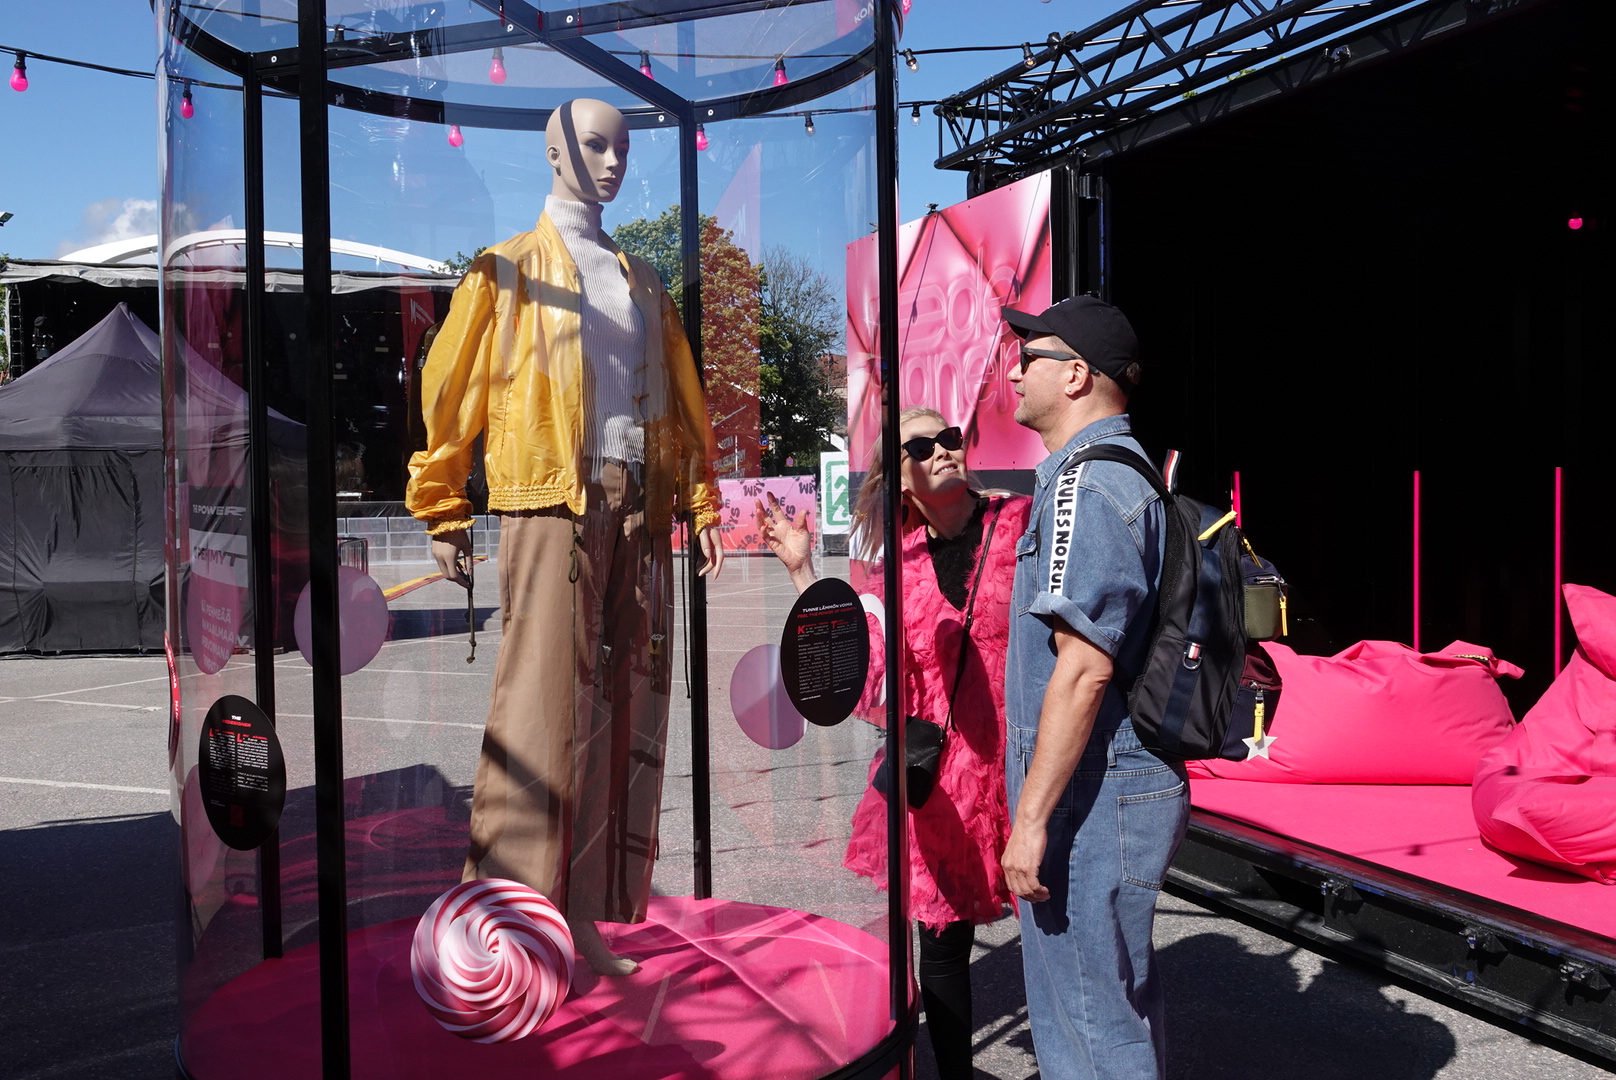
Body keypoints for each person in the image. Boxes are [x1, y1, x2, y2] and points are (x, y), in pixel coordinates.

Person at [405, 98, 725, 976]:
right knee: (540, 711)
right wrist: (442, 503)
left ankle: (579, 915)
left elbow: (678, 401)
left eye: (623, 146)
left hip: (636, 503)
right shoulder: (504, 271)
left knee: (617, 714)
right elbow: (453, 391)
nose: (613, 161)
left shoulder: (643, 280)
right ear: (554, 150)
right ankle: (499, 928)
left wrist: (697, 501)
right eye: (594, 144)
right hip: (551, 496)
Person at [754, 407, 1028, 1080]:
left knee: (1056, 933)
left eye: (950, 438)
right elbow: (867, 672)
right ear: (899, 477)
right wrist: (803, 571)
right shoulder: (896, 570)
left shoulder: (1021, 524)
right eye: (921, 445)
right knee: (940, 947)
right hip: (940, 776)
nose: (942, 450)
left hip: (1024, 765)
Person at [998, 296, 1189, 1079]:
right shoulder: (1119, 474)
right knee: (1108, 1006)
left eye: (1029, 357)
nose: (1014, 371)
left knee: (1088, 1024)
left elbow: (1083, 669)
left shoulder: (1090, 484)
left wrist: (1031, 820)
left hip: (1090, 798)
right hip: (1105, 790)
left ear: (1075, 374)